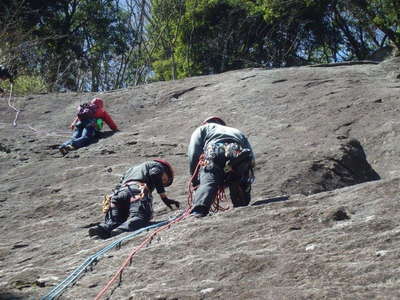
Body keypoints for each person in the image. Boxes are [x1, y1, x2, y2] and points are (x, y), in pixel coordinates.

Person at [88, 159, 180, 239]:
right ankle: (121, 230)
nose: (161, 182)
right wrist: (164, 198)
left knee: (115, 220)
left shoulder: (131, 170)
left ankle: (103, 228)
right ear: (166, 170)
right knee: (141, 216)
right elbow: (154, 174)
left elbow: (119, 185)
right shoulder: (157, 165)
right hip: (136, 192)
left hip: (119, 194)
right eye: (164, 180)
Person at [188, 116, 255, 218]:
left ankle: (198, 211)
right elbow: (250, 156)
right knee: (237, 177)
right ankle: (241, 204)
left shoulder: (203, 128)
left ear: (205, 123)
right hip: (238, 153)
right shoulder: (235, 131)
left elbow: (194, 152)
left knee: (209, 181)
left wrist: (196, 180)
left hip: (214, 151)